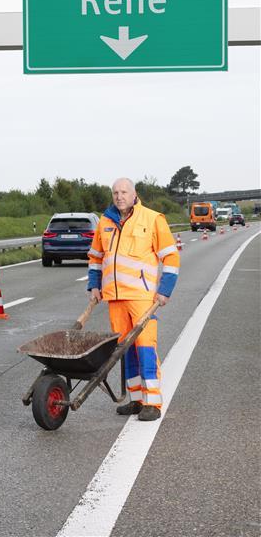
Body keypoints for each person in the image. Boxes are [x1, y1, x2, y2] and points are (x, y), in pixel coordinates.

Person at [87, 178, 180, 421]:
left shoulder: (152, 219)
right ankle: (136, 400)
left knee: (145, 347)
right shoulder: (105, 221)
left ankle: (153, 402)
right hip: (115, 299)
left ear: (133, 193)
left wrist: (165, 290)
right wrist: (94, 285)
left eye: (124, 192)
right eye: (116, 192)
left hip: (142, 297)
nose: (119, 196)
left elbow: (170, 257)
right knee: (124, 350)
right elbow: (96, 257)